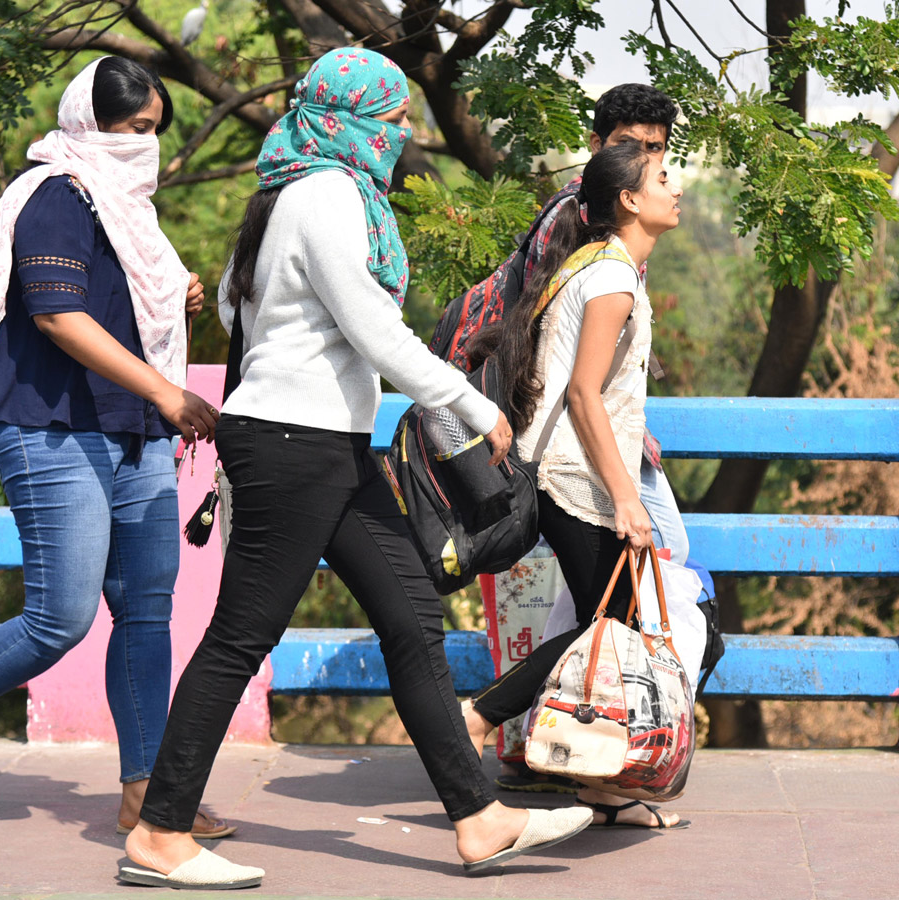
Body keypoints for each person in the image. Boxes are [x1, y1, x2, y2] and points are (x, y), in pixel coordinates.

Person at [119, 48, 592, 889]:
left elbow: (243, 307)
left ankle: (479, 820)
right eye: (394, 116)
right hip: (291, 447)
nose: (404, 131)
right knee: (242, 636)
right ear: (352, 120)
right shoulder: (324, 194)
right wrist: (478, 408)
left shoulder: (287, 193)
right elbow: (376, 333)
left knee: (413, 621)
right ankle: (159, 831)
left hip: (333, 445)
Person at [0, 56, 232, 840]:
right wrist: (168, 393)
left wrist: (174, 294)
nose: (146, 145)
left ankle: (145, 793)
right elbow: (58, 318)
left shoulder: (128, 208)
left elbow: (119, 295)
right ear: (89, 123)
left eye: (155, 133)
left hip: (131, 432)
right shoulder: (54, 196)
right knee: (61, 617)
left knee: (145, 613)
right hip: (50, 430)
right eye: (134, 128)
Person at [460, 139, 690, 831]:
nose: (674, 186)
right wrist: (626, 496)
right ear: (629, 200)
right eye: (662, 176)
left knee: (612, 624)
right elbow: (587, 397)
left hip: (567, 471)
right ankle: (476, 719)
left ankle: (601, 783)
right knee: (607, 627)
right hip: (574, 478)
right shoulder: (612, 277)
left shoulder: (596, 265)